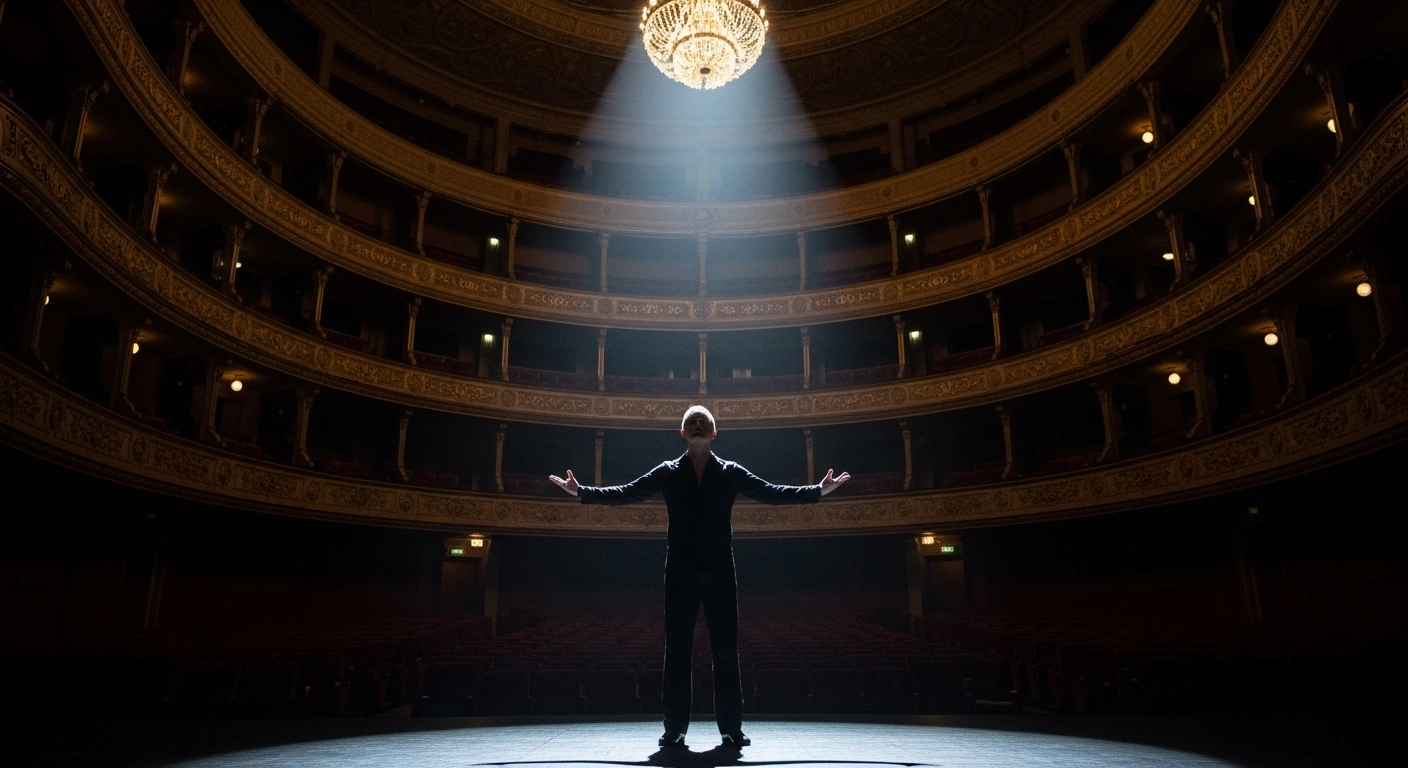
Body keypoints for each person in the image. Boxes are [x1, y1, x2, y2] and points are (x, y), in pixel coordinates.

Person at [550, 405, 849, 750]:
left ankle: (731, 729)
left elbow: (772, 493)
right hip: (680, 571)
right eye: (690, 422)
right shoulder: (667, 472)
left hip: (721, 571)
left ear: (713, 433)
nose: (696, 425)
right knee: (677, 652)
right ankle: (674, 728)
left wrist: (818, 490)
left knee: (726, 653)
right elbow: (626, 492)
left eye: (702, 422)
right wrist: (581, 491)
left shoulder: (731, 472)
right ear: (682, 434)